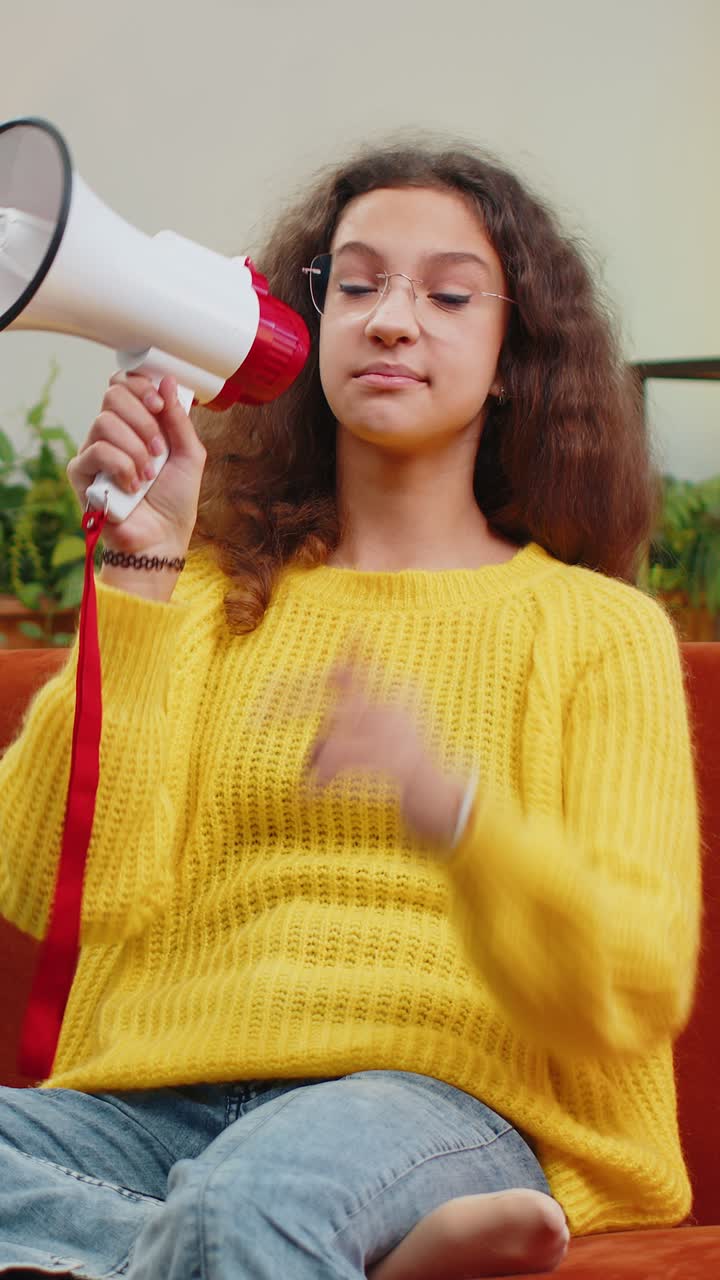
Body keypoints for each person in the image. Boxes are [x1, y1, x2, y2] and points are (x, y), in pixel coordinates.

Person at [0, 140, 701, 1280]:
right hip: (157, 1105)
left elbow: (633, 982)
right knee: (227, 1203)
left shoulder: (596, 631)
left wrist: (452, 806)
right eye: (359, 283)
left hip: (426, 1102)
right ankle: (370, 1257)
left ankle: (290, 1225)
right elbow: (44, 881)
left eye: (448, 293)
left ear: (515, 357)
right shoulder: (204, 590)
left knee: (257, 1197)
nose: (390, 319)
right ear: (308, 322)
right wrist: (140, 577)